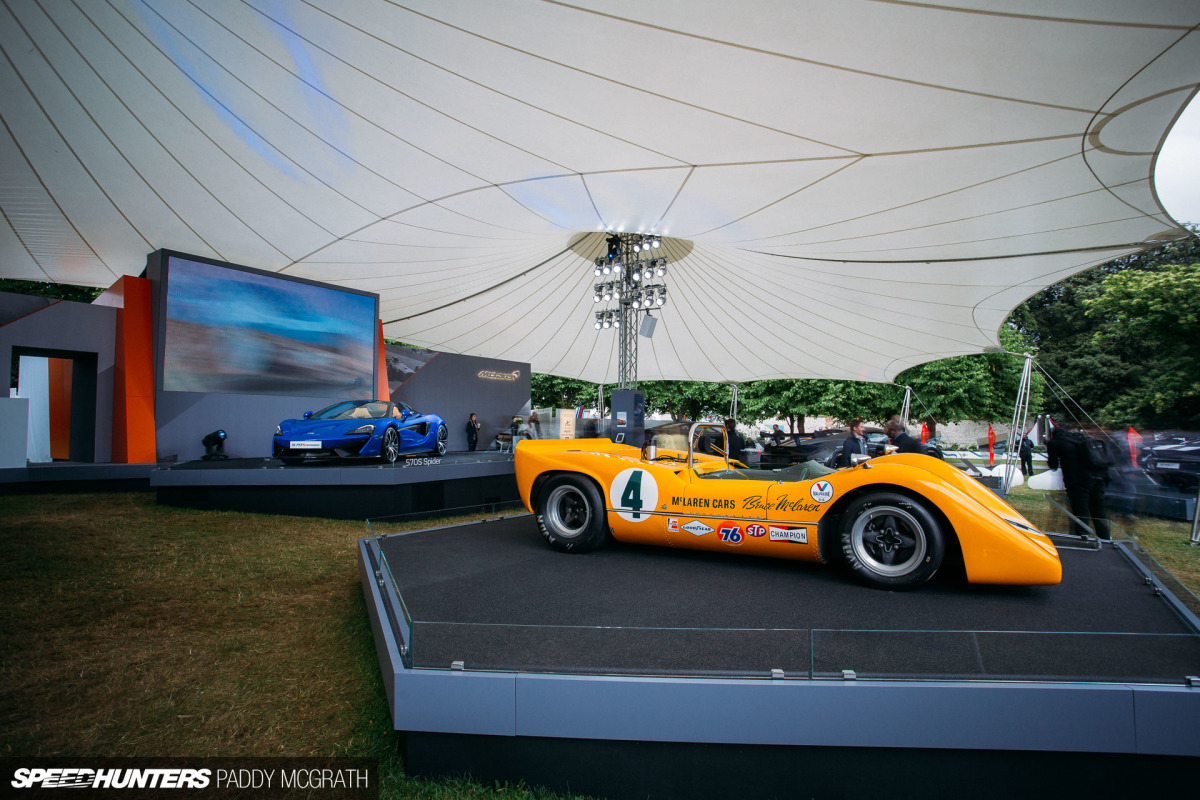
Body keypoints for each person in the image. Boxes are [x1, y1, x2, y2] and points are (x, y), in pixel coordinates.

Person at [1045, 426, 1111, 540]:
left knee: (1081, 512)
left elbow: (1053, 465)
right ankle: (1105, 538)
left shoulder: (1055, 443)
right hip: (1099, 477)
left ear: (1052, 435)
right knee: (1099, 512)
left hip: (1078, 480)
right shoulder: (1079, 439)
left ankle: (1082, 538)